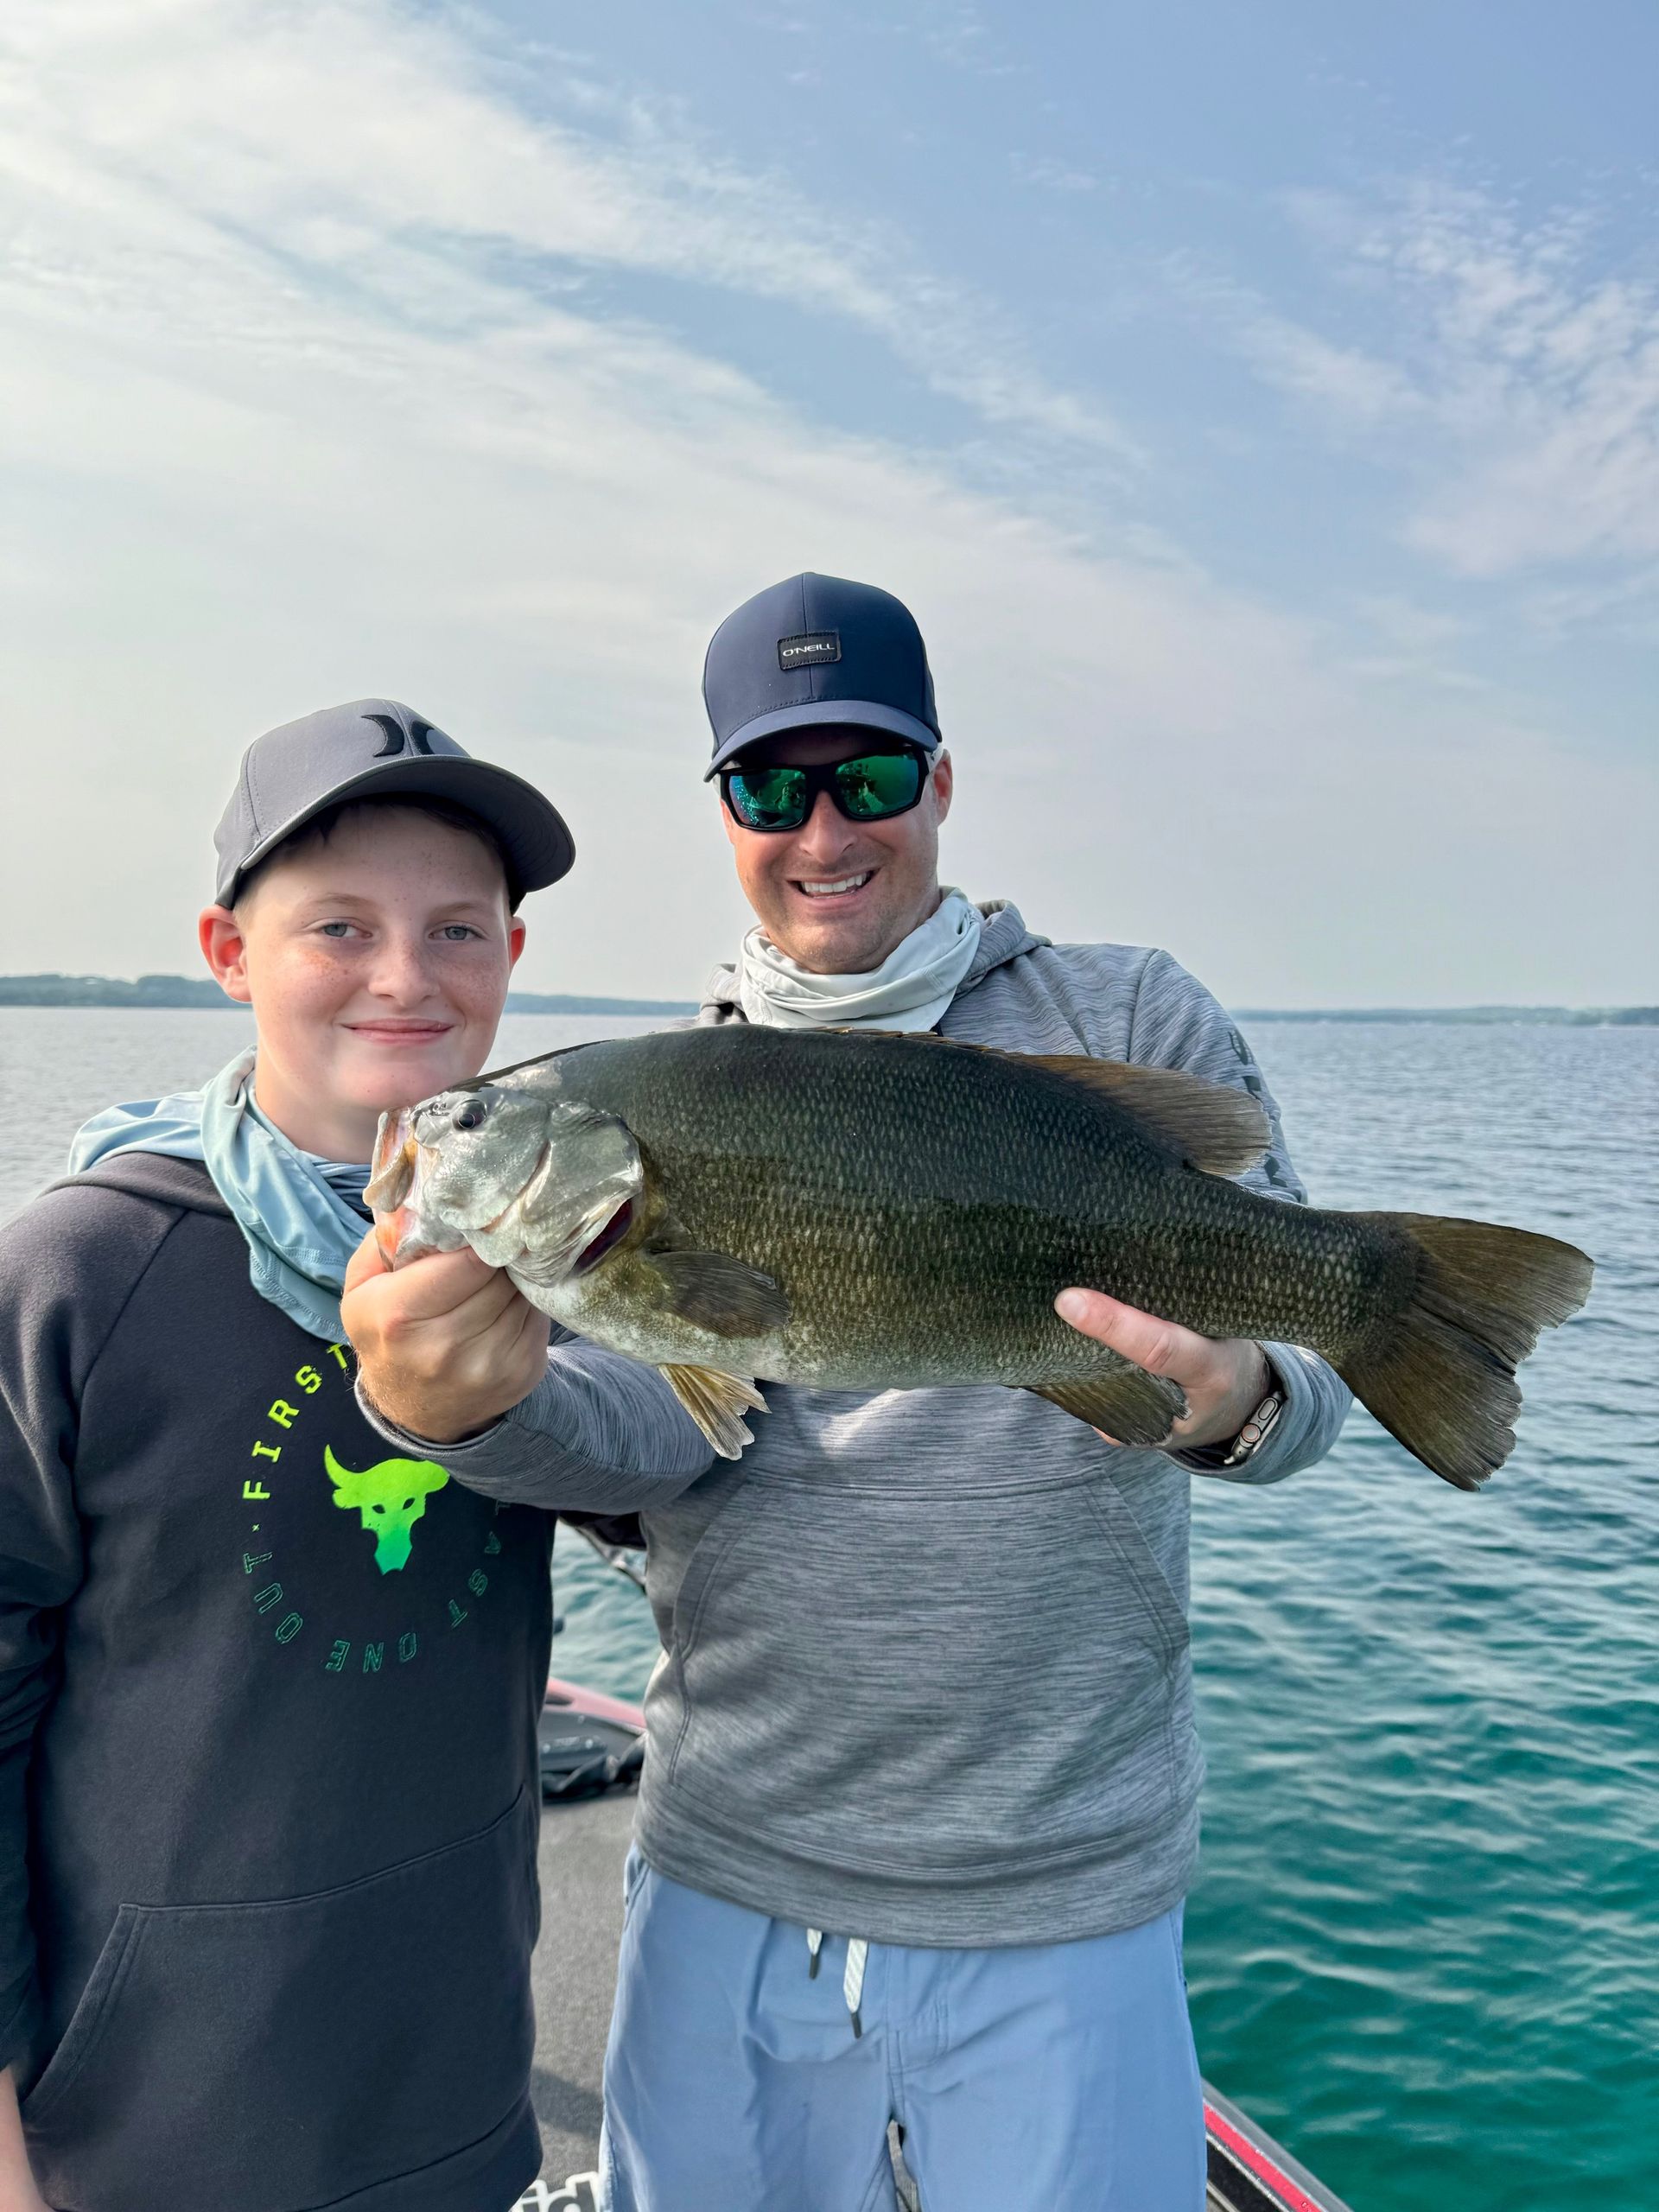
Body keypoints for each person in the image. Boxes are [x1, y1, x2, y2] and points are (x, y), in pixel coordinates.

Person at [349, 579, 1353, 2212]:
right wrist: (456, 1409)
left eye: (868, 779)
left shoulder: (1126, 1015)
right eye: (770, 787)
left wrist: (1233, 1390)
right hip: (738, 1864)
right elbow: (659, 1431)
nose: (824, 829)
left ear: (939, 786)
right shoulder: (659, 1089)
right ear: (726, 813)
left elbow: (1297, 1402)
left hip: (1066, 1884)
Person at [0, 700, 709, 2212]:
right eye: (339, 926)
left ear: (513, 960)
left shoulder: (550, 1253)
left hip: (456, 2083)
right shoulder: (78, 1272)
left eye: (458, 930)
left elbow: (670, 1478)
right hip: (144, 2130)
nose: (406, 974)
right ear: (228, 951)